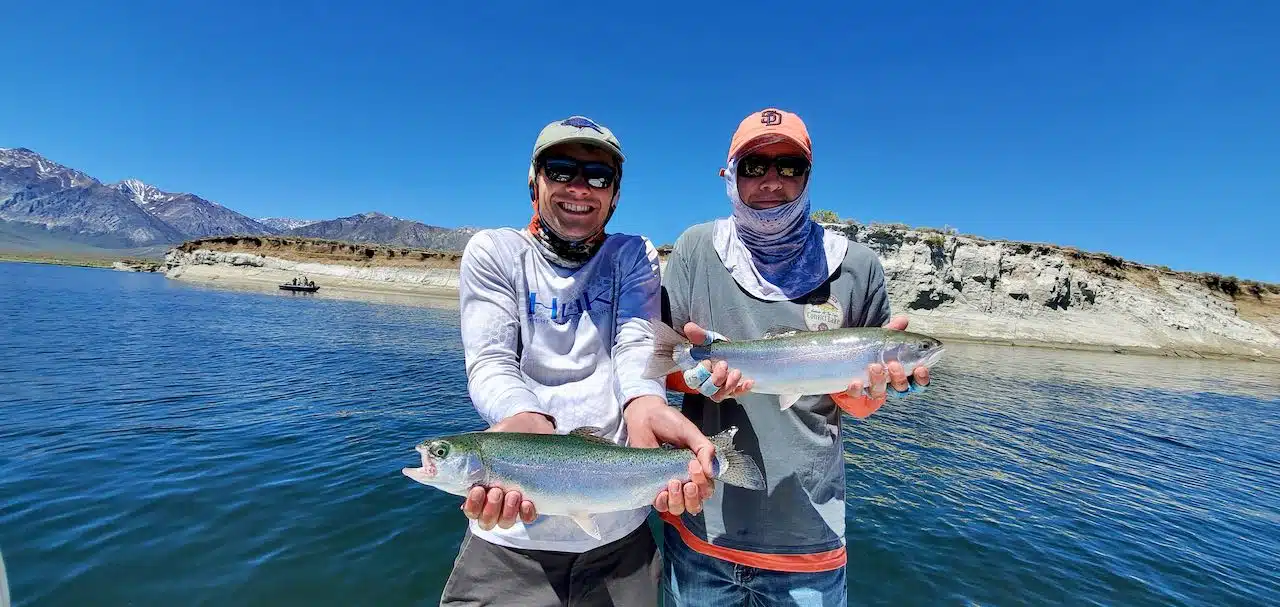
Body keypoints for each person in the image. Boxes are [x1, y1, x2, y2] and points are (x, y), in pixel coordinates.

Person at [656, 108, 933, 606]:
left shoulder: (858, 267)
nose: (772, 180)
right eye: (754, 166)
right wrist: (697, 376)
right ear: (729, 174)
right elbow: (661, 377)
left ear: (808, 176)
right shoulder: (694, 250)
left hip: (809, 538)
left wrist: (870, 392)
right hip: (701, 527)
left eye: (789, 166)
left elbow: (858, 406)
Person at [439, 115, 718, 607]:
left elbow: (635, 346)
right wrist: (523, 418)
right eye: (561, 170)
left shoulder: (633, 255)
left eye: (598, 176)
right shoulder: (495, 251)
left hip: (620, 537)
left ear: (615, 194)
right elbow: (490, 361)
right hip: (509, 543)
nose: (579, 188)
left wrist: (646, 404)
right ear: (534, 181)